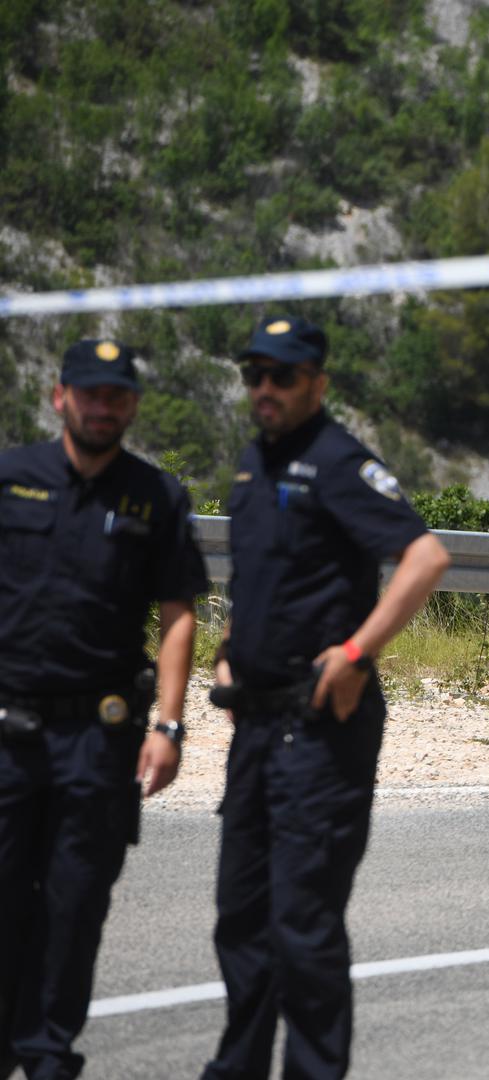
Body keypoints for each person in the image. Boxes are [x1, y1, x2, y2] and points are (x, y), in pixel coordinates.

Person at [202, 316, 449, 1080]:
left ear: (317, 382)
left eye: (282, 376)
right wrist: (225, 650)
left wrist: (353, 653)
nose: (265, 389)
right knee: (241, 922)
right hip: (254, 722)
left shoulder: (338, 460)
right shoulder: (253, 463)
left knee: (302, 927)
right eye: (255, 375)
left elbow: (426, 555)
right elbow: (260, 581)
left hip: (319, 731)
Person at [0, 339, 207, 1080]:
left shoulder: (155, 496)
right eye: (89, 393)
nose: (102, 406)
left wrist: (169, 726)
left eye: (116, 395)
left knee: (76, 903)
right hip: (8, 732)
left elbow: (179, 613)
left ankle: (49, 1051)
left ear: (132, 405)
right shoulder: (11, 477)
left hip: (99, 736)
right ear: (60, 396)